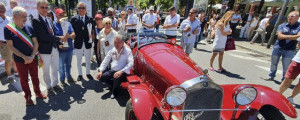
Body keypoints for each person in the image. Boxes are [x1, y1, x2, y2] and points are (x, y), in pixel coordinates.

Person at [5, 6, 47, 106]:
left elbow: (36, 43)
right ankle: (28, 97)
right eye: (24, 16)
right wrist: (25, 57)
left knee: (35, 77)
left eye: (26, 16)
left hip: (32, 58)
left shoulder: (29, 27)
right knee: (24, 80)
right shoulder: (8, 29)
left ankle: (38, 93)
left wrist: (32, 56)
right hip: (20, 60)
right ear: (15, 16)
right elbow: (10, 47)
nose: (26, 18)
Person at [32, 0, 67, 96]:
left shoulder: (49, 19)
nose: (44, 9)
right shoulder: (36, 20)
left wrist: (59, 42)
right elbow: (43, 36)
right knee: (46, 70)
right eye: (42, 7)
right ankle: (49, 87)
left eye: (46, 7)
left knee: (55, 68)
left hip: (54, 47)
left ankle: (55, 84)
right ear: (37, 8)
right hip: (44, 50)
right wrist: (59, 38)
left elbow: (54, 33)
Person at [266, 11, 300, 81]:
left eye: (291, 16)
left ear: (297, 18)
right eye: (288, 16)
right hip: (278, 47)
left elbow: (297, 37)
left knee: (286, 66)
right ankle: (271, 76)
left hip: (290, 50)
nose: (289, 18)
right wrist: (293, 36)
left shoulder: (299, 27)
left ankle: (284, 80)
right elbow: (279, 36)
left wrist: (285, 36)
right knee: (273, 63)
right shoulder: (282, 25)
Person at [96, 34, 134, 99]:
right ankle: (114, 86)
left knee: (116, 76)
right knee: (101, 77)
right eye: (115, 42)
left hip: (123, 72)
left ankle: (114, 91)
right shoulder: (112, 50)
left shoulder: (127, 51)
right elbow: (106, 60)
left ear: (122, 43)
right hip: (113, 70)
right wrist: (101, 71)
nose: (116, 44)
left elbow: (131, 63)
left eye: (118, 43)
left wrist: (121, 71)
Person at [70, 2, 95, 81]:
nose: (81, 10)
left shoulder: (90, 19)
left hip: (88, 42)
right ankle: (80, 74)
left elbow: (93, 31)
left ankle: (88, 73)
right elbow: (71, 31)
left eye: (83, 8)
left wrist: (92, 37)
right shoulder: (73, 19)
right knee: (79, 60)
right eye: (79, 8)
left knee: (88, 59)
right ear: (77, 9)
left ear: (85, 9)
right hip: (78, 42)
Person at [53, 8, 76, 86]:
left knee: (68, 64)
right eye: (60, 14)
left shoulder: (68, 23)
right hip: (60, 48)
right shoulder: (53, 24)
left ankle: (69, 77)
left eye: (63, 14)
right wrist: (60, 41)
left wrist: (68, 36)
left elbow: (74, 34)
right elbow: (53, 37)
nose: (62, 15)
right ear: (56, 15)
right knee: (61, 66)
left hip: (69, 48)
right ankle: (62, 79)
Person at [0, 2, 18, 83]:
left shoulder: (10, 18)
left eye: (3, 8)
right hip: (3, 44)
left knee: (14, 59)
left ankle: (16, 72)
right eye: (0, 8)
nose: (2, 10)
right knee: (8, 60)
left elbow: (15, 30)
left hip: (13, 43)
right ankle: (9, 76)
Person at [278, 39, 300, 104]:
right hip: (297, 61)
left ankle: (291, 97)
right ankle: (277, 96)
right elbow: (299, 44)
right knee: (287, 80)